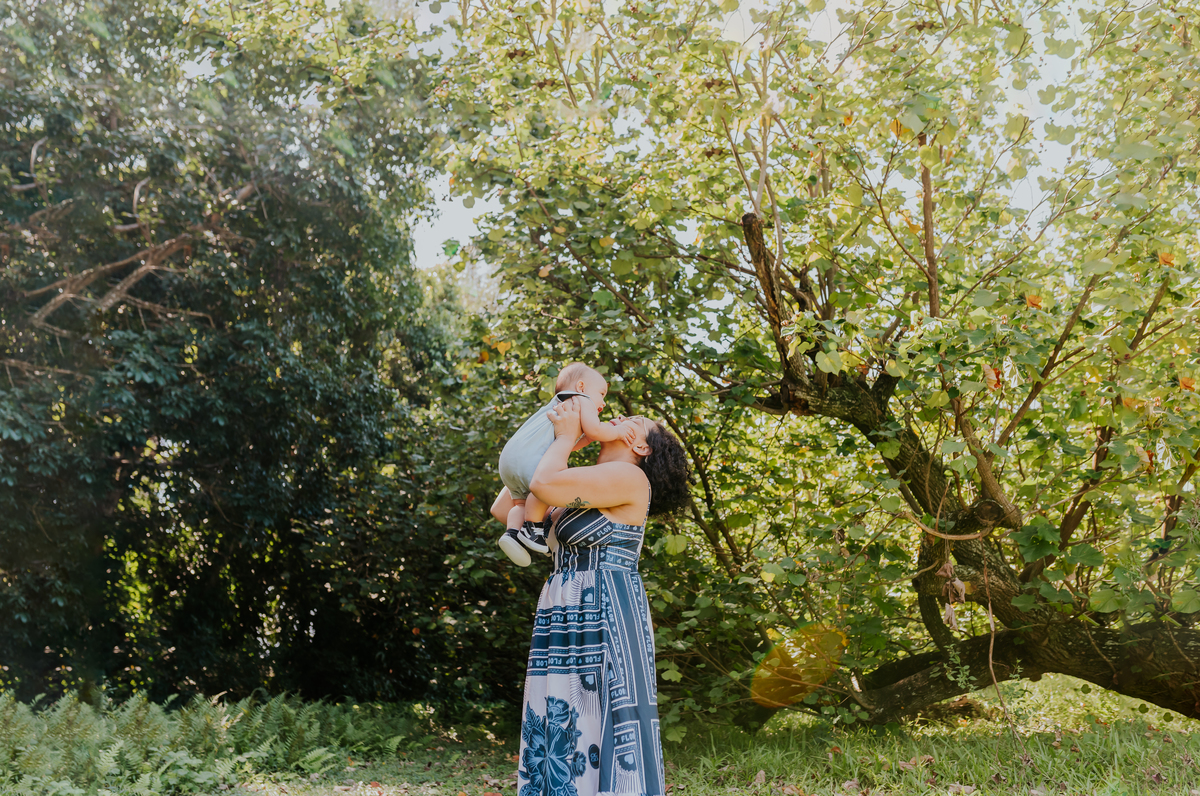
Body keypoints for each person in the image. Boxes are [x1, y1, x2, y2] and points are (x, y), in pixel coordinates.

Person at [504, 396, 691, 796]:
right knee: (559, 720)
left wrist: (567, 436)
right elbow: (507, 501)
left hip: (606, 609)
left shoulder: (630, 478)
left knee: (599, 715)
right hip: (563, 607)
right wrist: (569, 443)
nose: (617, 417)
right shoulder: (584, 481)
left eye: (633, 420)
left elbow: (542, 484)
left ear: (641, 447)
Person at [493, 363, 641, 568]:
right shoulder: (582, 399)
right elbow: (595, 430)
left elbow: (567, 443)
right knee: (544, 490)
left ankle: (512, 534)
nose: (604, 403)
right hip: (529, 462)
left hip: (509, 460)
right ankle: (531, 528)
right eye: (602, 394)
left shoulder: (561, 404)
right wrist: (616, 432)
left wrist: (586, 438)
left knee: (520, 504)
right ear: (581, 387)